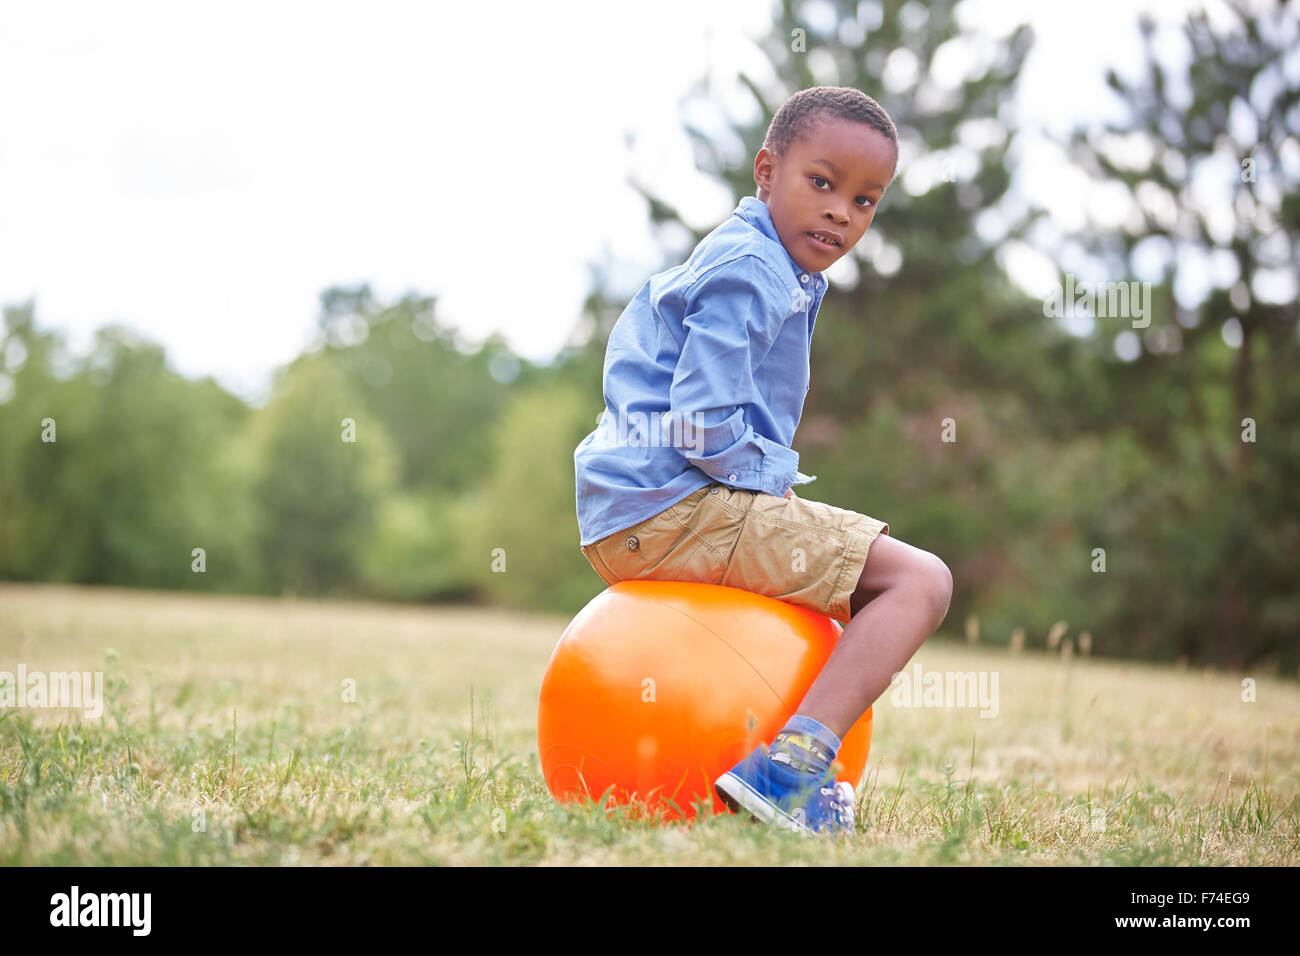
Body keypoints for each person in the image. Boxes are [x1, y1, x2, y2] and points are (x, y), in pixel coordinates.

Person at [572, 86, 953, 835]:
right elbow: (699, 426)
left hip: (635, 511)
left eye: (866, 200)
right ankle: (792, 770)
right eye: (823, 182)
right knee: (920, 580)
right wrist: (775, 486)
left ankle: (774, 757)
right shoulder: (754, 269)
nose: (843, 211)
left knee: (866, 574)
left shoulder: (771, 266)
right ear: (766, 170)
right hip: (675, 508)